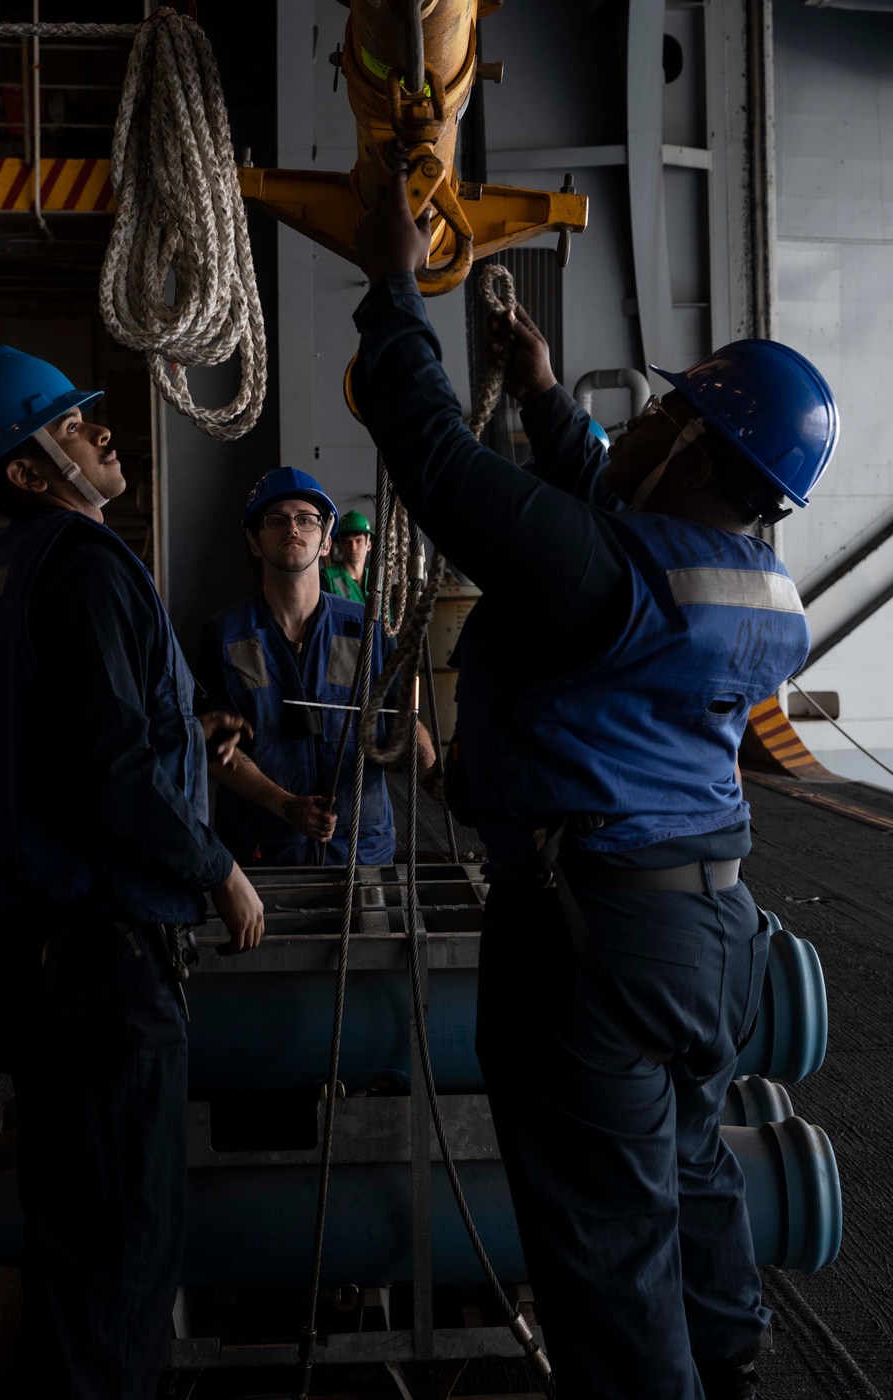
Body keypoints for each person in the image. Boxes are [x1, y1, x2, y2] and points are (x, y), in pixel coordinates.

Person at [351, 174, 839, 1400]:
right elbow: (615, 520)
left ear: (688, 439)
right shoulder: (745, 586)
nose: (646, 429)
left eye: (665, 418)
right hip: (708, 925)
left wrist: (390, 282)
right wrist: (543, 394)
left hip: (591, 938)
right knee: (685, 1168)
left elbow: (427, 451)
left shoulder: (598, 578)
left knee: (603, 1244)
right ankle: (728, 1366)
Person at [0, 345, 264, 1400]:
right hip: (100, 949)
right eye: (73, 425)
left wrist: (192, 727)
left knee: (77, 1232)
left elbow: (65, 729)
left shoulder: (6, 571)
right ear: (30, 473)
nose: (104, 430)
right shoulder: (81, 562)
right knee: (125, 1240)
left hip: (34, 931)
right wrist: (218, 869)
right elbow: (112, 768)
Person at [196, 467, 438, 866]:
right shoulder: (225, 635)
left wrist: (430, 773)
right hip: (264, 851)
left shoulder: (367, 628)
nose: (292, 528)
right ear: (254, 542)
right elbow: (217, 747)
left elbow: (401, 717)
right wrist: (286, 805)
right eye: (276, 520)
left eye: (306, 519)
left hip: (360, 849)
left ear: (326, 541)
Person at [321, 508, 373, 603]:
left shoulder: (377, 579)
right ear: (340, 546)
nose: (353, 547)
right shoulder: (327, 578)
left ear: (368, 545)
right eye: (347, 542)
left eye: (359, 541)